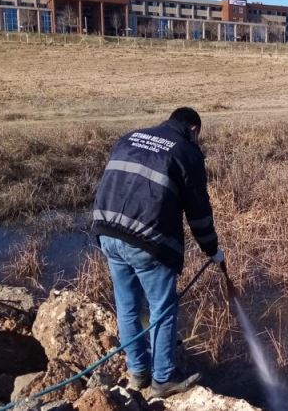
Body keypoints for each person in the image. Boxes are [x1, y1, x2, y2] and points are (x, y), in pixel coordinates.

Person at [92, 107, 224, 398]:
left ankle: (138, 373)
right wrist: (212, 249)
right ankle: (162, 379)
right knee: (162, 310)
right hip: (148, 241)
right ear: (193, 129)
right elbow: (198, 212)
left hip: (107, 232)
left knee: (127, 307)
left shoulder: (130, 137)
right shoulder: (187, 152)